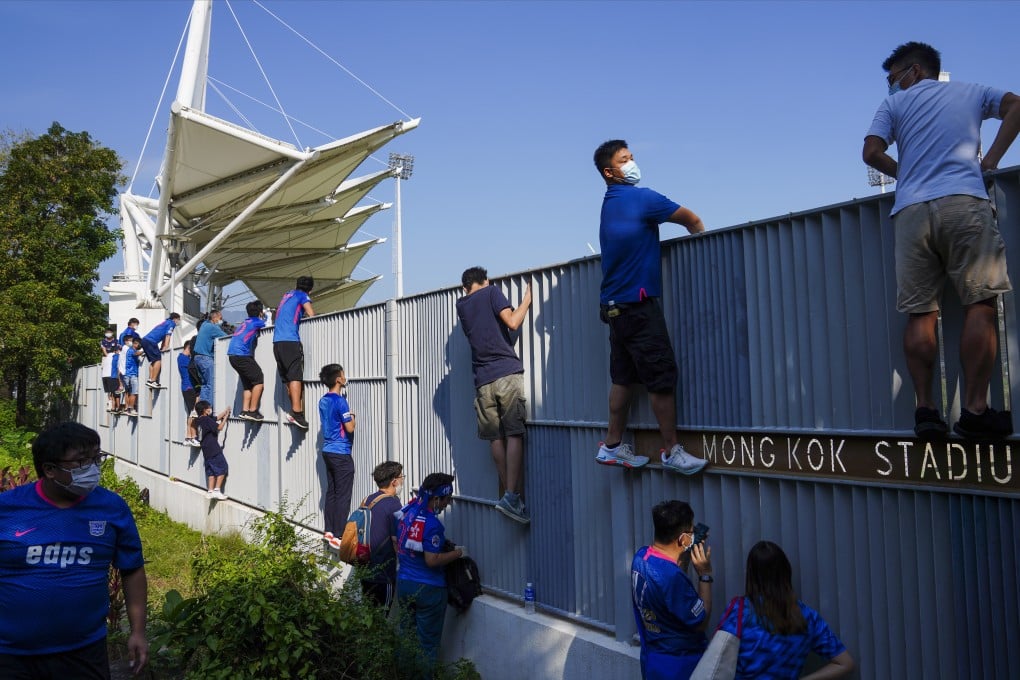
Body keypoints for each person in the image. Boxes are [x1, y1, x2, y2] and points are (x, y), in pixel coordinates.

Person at [863, 41, 1020, 441]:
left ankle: (925, 411)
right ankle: (975, 411)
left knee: (920, 313)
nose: (892, 85)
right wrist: (991, 162)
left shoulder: (893, 106)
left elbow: (871, 152)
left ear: (914, 71)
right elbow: (1016, 106)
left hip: (911, 212)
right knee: (980, 304)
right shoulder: (971, 91)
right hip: (964, 202)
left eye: (893, 77)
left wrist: (907, 175)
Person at [592, 140, 709, 474]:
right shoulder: (643, 198)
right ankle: (671, 451)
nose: (632, 163)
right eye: (624, 160)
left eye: (632, 157)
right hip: (638, 305)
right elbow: (692, 219)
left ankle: (611, 445)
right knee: (661, 376)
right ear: (609, 171)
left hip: (613, 305)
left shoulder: (609, 202)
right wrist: (701, 239)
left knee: (624, 377)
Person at [0, 422, 148, 677]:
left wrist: (138, 631)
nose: (92, 468)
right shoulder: (8, 509)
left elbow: (132, 569)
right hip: (12, 656)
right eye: (80, 462)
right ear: (49, 469)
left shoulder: (112, 508)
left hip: (85, 653)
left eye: (95, 458)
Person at [456, 266, 533, 524]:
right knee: (514, 432)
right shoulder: (491, 292)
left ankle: (510, 496)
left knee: (495, 438)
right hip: (506, 373)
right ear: (485, 280)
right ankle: (511, 495)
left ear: (465, 286)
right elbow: (512, 322)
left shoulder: (462, 305)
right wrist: (525, 302)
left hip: (482, 381)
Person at [716, 541, 854, 680]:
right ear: (786, 571)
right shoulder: (806, 616)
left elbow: (717, 657)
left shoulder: (739, 610)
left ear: (751, 574)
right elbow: (845, 663)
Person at [632, 500, 713, 680]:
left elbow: (672, 590)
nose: (692, 537)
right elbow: (701, 622)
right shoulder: (672, 579)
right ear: (683, 539)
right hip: (679, 666)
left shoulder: (640, 558)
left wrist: (683, 554)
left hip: (652, 661)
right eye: (691, 533)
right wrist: (705, 575)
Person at [396, 473, 466, 677]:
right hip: (428, 589)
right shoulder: (432, 524)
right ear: (436, 498)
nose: (447, 504)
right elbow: (432, 560)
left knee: (407, 636)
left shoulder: (407, 512)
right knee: (427, 644)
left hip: (405, 583)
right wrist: (458, 553)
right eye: (446, 499)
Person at [358, 461, 405, 608]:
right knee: (382, 617)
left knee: (369, 614)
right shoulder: (394, 505)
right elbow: (396, 540)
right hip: (384, 573)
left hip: (365, 568)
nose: (403, 480)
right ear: (394, 481)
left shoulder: (368, 500)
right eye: (402, 477)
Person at [319, 364, 356, 545]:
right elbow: (349, 427)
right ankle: (339, 535)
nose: (344, 377)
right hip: (341, 453)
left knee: (331, 492)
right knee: (343, 494)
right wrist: (353, 417)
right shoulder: (340, 401)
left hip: (327, 451)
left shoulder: (323, 400)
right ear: (338, 380)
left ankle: (329, 531)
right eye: (343, 374)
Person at [273, 276, 315, 429]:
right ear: (310, 289)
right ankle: (296, 412)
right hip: (290, 340)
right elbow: (311, 314)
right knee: (295, 375)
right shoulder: (303, 296)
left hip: (276, 342)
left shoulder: (287, 295)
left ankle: (295, 410)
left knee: (287, 378)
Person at [228, 301, 268, 422]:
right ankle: (252, 411)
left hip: (232, 355)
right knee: (259, 380)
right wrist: (265, 316)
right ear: (260, 312)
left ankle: (244, 410)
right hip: (242, 355)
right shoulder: (257, 322)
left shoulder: (245, 322)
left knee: (248, 384)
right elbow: (267, 324)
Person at [194, 400, 230, 500]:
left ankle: (210, 491)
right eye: (209, 408)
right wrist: (226, 418)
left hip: (206, 450)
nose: (210, 409)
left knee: (211, 471)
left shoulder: (199, 420)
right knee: (223, 467)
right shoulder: (206, 419)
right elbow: (219, 427)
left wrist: (225, 411)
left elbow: (216, 418)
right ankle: (217, 490)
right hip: (213, 448)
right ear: (205, 410)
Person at [192, 309, 228, 408]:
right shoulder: (213, 328)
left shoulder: (204, 324)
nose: (221, 320)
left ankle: (201, 408)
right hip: (205, 358)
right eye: (220, 318)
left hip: (197, 358)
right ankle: (208, 409)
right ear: (215, 318)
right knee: (211, 384)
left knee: (205, 385)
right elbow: (227, 337)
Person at [140, 312, 180, 389]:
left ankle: (150, 379)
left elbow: (164, 338)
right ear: (175, 319)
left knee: (153, 361)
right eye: (178, 320)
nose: (178, 322)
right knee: (158, 360)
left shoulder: (165, 322)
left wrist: (162, 347)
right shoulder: (172, 323)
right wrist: (166, 347)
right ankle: (153, 381)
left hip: (145, 340)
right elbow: (168, 336)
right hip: (151, 341)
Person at [178, 339, 200, 447]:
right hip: (189, 388)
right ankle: (193, 436)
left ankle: (188, 436)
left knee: (191, 412)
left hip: (187, 388)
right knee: (193, 412)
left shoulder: (181, 358)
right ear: (189, 348)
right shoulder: (184, 359)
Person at [118, 334, 144, 417]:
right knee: (134, 392)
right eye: (138, 344)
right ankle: (131, 409)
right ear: (135, 343)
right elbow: (136, 354)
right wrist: (145, 350)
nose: (139, 346)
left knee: (129, 392)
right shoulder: (131, 350)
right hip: (131, 374)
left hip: (128, 374)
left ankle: (128, 408)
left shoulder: (129, 350)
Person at [101, 329, 121, 413]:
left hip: (113, 361)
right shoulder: (103, 341)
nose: (108, 334)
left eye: (110, 332)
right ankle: (110, 403)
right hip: (106, 359)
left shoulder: (116, 341)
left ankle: (116, 406)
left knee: (115, 389)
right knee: (109, 387)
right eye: (107, 333)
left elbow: (118, 350)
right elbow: (104, 350)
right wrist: (108, 356)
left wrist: (113, 355)